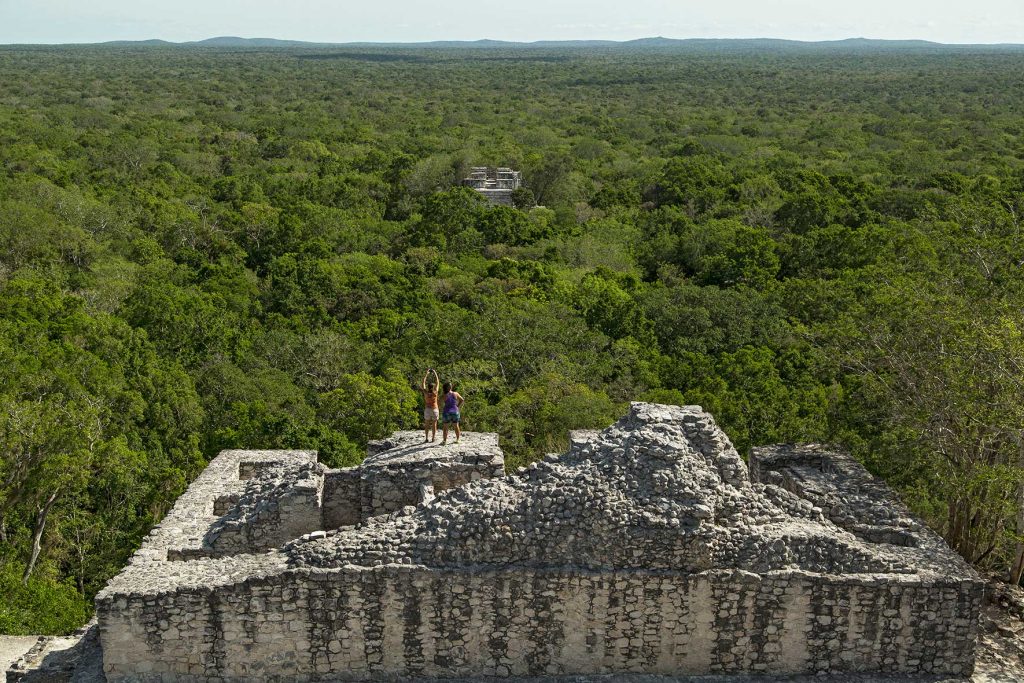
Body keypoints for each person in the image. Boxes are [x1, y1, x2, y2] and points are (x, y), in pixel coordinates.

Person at [440, 381, 464, 445]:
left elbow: (439, 403)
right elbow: (462, 400)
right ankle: (458, 439)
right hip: (455, 411)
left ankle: (444, 441)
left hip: (447, 412)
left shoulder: (443, 395)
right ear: (450, 387)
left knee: (445, 427)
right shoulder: (455, 393)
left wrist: (443, 408)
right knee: (456, 426)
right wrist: (457, 406)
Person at [421, 368, 440, 443]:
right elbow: (438, 382)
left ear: (428, 387)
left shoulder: (425, 392)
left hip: (427, 409)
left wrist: (426, 374)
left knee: (427, 424)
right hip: (435, 409)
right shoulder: (435, 392)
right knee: (434, 425)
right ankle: (433, 438)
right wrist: (435, 373)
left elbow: (423, 382)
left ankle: (426, 438)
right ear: (433, 387)